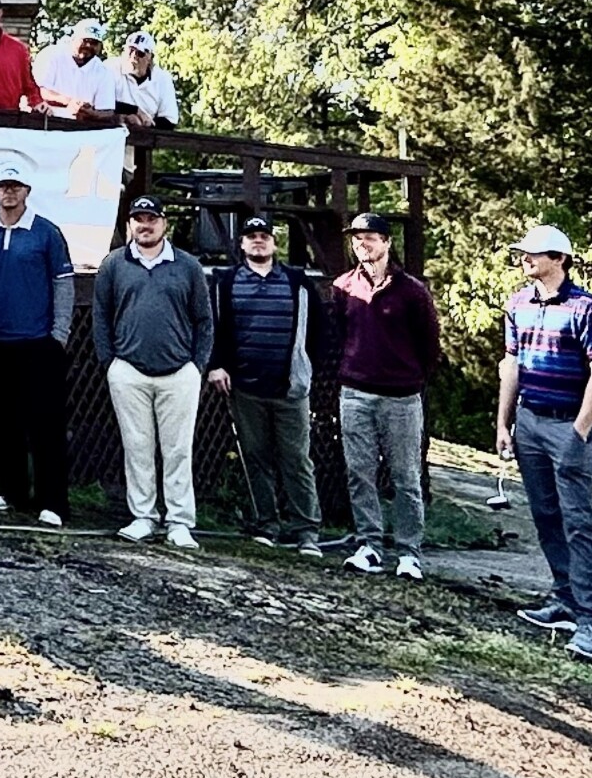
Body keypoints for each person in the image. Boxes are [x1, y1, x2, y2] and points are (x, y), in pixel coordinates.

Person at [499, 225, 592, 663]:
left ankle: (591, 622)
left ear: (560, 259)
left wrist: (580, 431)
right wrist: (503, 423)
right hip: (530, 423)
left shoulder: (588, 309)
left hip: (569, 426)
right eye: (523, 253)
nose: (525, 259)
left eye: (534, 253)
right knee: (546, 516)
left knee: (578, 523)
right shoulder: (518, 303)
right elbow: (511, 365)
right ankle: (564, 599)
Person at [93, 197, 212, 548]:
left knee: (178, 450)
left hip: (179, 372)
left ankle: (179, 521)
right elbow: (101, 315)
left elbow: (204, 319)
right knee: (137, 447)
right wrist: (110, 363)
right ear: (130, 224)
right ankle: (143, 516)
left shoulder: (187, 265)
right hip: (128, 370)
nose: (145, 225)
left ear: (164, 224)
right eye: (138, 219)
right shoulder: (114, 264)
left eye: (152, 219)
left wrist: (197, 365)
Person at [328, 210, 440, 580]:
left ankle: (409, 552)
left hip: (401, 398)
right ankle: (369, 546)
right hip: (355, 393)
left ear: (387, 242)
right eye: (357, 238)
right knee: (360, 473)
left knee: (405, 477)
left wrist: (410, 377)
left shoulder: (412, 290)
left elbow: (429, 345)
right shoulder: (343, 286)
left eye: (370, 238)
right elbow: (339, 334)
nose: (362, 244)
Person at [0, 162, 76, 525]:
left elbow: (63, 285)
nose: (9, 192)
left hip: (37, 343)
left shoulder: (46, 233)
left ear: (27, 190)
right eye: (3, 186)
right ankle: (13, 491)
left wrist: (59, 335)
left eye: (16, 186)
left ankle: (53, 502)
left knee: (45, 427)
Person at [210, 216, 322, 555]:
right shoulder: (226, 281)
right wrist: (216, 365)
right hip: (245, 387)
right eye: (251, 236)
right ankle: (266, 525)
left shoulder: (297, 281)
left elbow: (319, 330)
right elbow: (214, 327)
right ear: (242, 244)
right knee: (255, 458)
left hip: (290, 388)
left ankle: (306, 531)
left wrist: (307, 368)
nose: (258, 241)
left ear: (274, 242)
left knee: (296, 459)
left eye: (264, 236)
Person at [37, 20, 124, 120]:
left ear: (100, 46)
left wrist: (90, 113)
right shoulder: (51, 55)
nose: (88, 46)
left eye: (94, 43)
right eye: (85, 40)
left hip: (81, 126)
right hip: (46, 120)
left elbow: (107, 111)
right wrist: (69, 102)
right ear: (73, 39)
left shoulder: (104, 72)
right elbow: (40, 91)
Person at [115, 30, 182, 131]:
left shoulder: (163, 79)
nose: (134, 56)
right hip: (112, 129)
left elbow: (169, 120)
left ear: (150, 58)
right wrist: (134, 111)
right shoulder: (110, 68)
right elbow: (101, 103)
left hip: (146, 135)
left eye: (140, 53)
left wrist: (147, 124)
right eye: (130, 51)